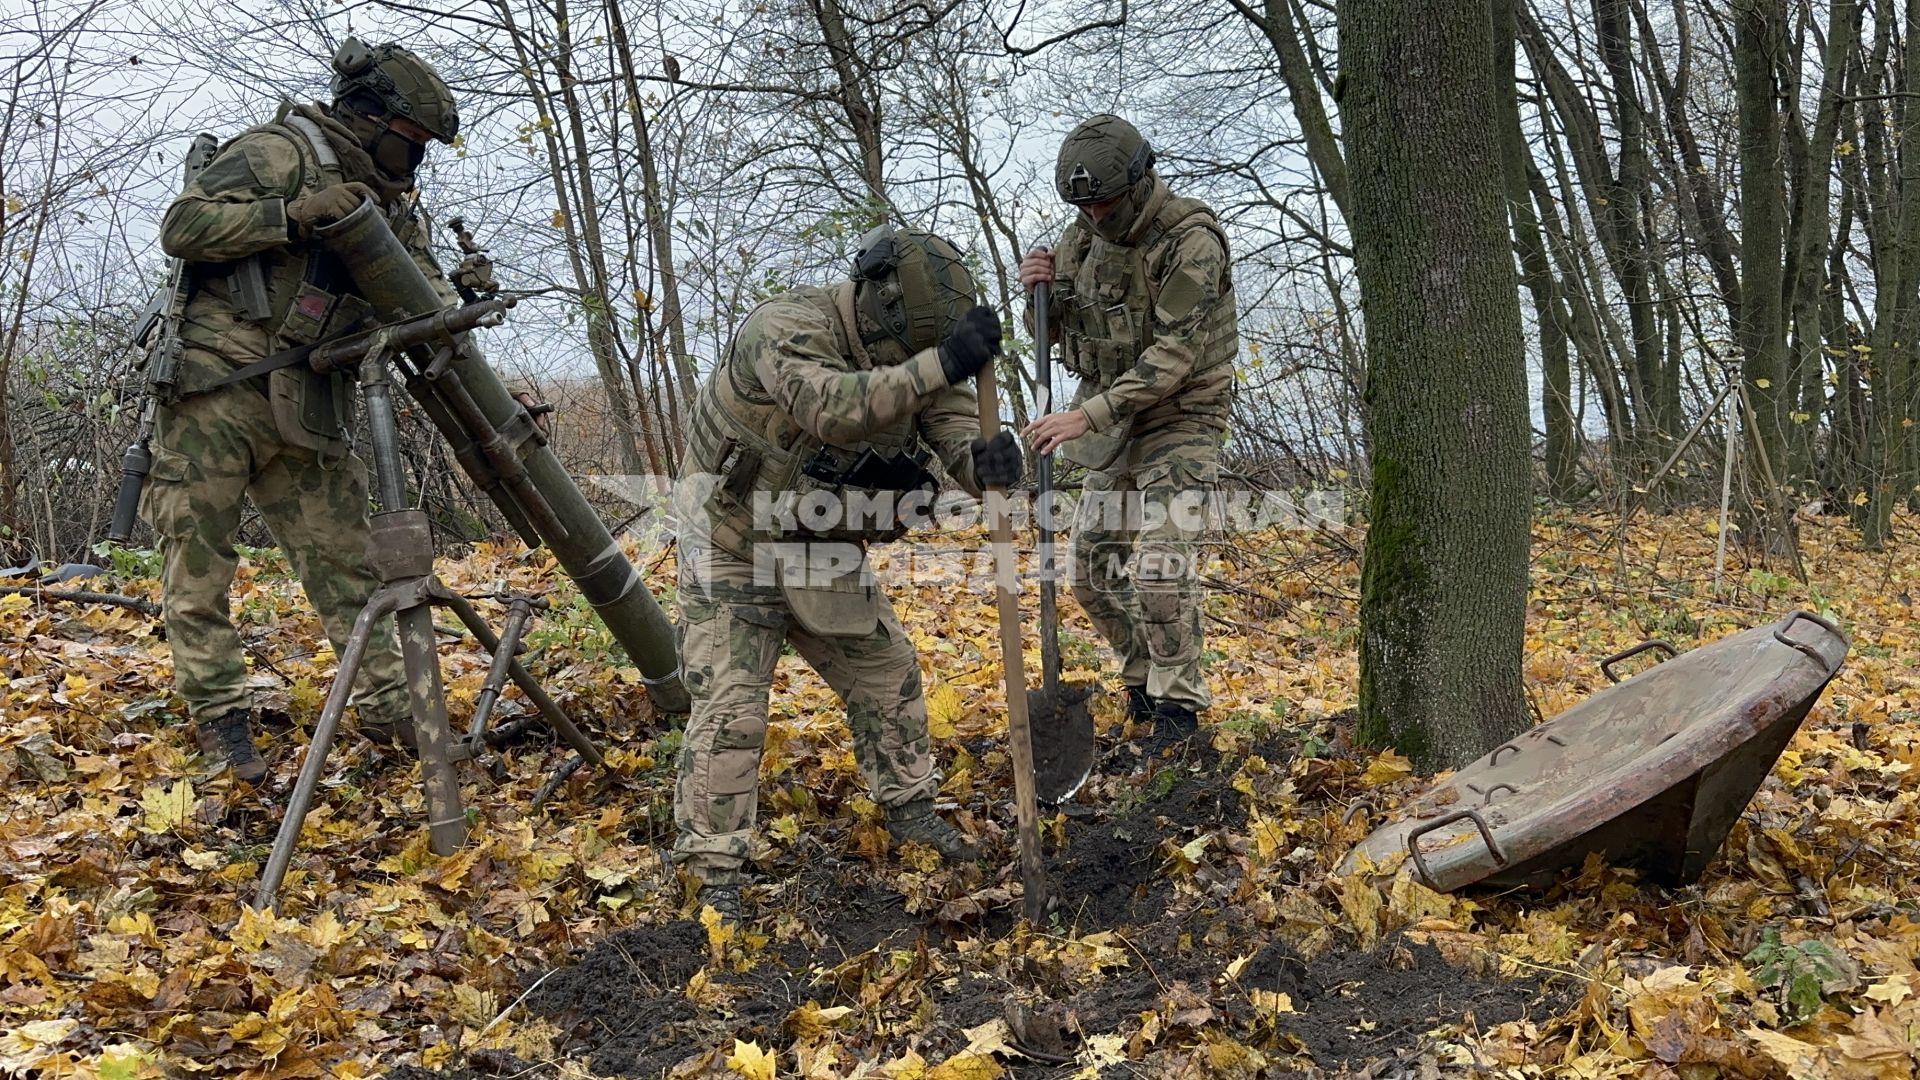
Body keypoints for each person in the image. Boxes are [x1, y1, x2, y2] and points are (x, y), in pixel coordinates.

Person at [671, 223, 1022, 922]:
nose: (912, 363)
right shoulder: (786, 326)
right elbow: (829, 409)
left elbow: (951, 423)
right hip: (730, 543)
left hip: (816, 543)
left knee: (887, 669)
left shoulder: (925, 356)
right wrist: (944, 360)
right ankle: (712, 874)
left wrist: (981, 465)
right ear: (868, 299)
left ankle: (912, 809)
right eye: (904, 352)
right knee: (733, 710)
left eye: (924, 353)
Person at [147, 38, 463, 782]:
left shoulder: (391, 207)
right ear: (370, 117)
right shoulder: (281, 151)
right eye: (409, 142)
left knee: (352, 566)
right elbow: (182, 226)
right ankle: (222, 721)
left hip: (309, 400)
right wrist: (290, 215)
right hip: (215, 388)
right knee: (197, 567)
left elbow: (425, 297)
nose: (412, 161)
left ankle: (392, 714)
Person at [1018, 114, 1238, 745]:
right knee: (1089, 572)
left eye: (1105, 203)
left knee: (1161, 567)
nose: (1093, 216)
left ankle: (1178, 711)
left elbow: (1173, 359)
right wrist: (1040, 294)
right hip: (1112, 422)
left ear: (1141, 181)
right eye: (1082, 207)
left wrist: (1083, 415)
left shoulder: (1191, 242)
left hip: (1182, 415)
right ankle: (1142, 675)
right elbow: (1058, 332)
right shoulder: (1081, 237)